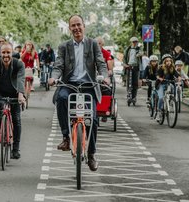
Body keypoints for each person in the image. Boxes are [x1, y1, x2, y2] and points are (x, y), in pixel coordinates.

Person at [48, 14, 109, 172]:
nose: (76, 28)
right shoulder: (64, 46)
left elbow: (101, 63)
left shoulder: (93, 44)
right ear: (69, 29)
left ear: (84, 26)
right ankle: (66, 138)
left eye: (78, 25)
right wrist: (54, 78)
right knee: (61, 99)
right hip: (69, 84)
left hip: (89, 85)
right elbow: (58, 65)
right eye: (73, 26)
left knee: (94, 120)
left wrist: (105, 77)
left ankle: (91, 154)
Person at [0, 42, 26, 159]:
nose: (6, 55)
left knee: (16, 119)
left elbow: (21, 80)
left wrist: (21, 95)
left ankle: (15, 149)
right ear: (0, 53)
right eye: (3, 52)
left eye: (8, 52)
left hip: (15, 93)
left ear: (12, 53)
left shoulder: (19, 64)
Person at [155, 54, 181, 122]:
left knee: (173, 87)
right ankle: (159, 112)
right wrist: (160, 78)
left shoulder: (172, 68)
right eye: (167, 61)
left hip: (169, 83)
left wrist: (179, 78)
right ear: (164, 62)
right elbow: (157, 75)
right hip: (161, 84)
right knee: (161, 98)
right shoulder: (161, 68)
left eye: (170, 61)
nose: (168, 62)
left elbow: (177, 75)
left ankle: (171, 101)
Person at [123, 37, 142, 105]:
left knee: (135, 83)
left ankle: (134, 97)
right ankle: (128, 95)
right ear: (131, 42)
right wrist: (125, 64)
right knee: (129, 82)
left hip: (136, 67)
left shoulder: (138, 49)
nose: (135, 43)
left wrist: (139, 54)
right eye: (133, 42)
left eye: (136, 42)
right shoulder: (128, 49)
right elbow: (124, 58)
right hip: (129, 66)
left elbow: (141, 53)